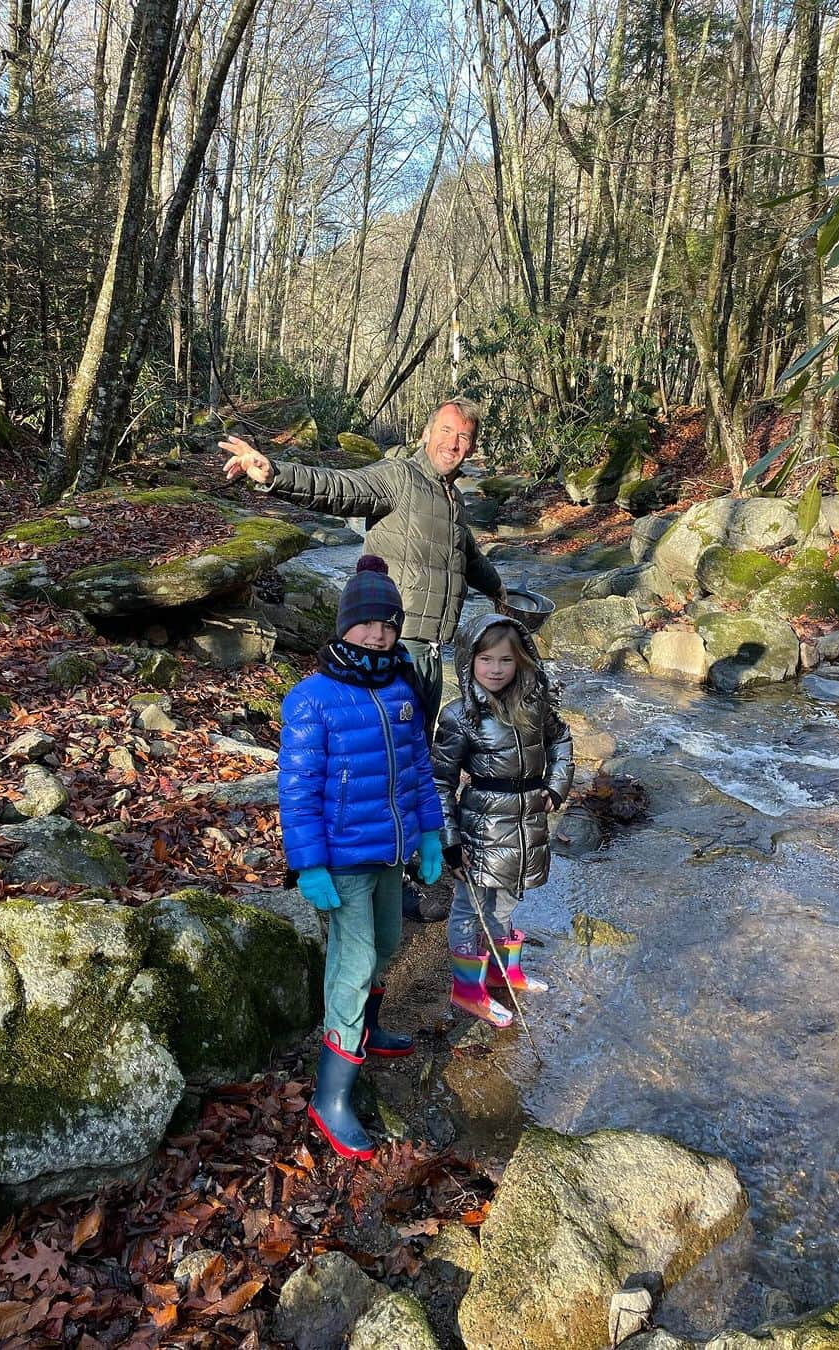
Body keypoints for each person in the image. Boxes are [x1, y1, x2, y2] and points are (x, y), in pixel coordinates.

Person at [278, 555, 444, 1160]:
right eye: (368, 623)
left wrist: (431, 834)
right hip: (342, 857)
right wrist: (309, 864)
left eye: (389, 624)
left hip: (389, 851)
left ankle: (367, 1032)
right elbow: (297, 791)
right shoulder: (311, 699)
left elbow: (419, 771)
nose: (378, 634)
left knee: (389, 939)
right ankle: (332, 1093)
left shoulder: (401, 688)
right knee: (354, 960)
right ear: (344, 625)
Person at [220, 397, 508, 733]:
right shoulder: (398, 476)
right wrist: (275, 473)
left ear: (471, 448)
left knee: (416, 752)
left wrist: (497, 588)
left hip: (431, 651)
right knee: (383, 748)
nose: (453, 442)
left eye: (463, 436)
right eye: (446, 430)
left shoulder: (453, 498)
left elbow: (468, 555)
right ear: (426, 434)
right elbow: (340, 488)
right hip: (391, 646)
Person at [432, 612, 574, 1027]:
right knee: (470, 906)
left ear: (522, 661)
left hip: (529, 819)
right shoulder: (460, 716)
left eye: (505, 660)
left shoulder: (535, 704)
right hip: (481, 823)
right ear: (469, 661)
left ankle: (501, 971)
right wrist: (450, 839)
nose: (496, 669)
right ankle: (467, 989)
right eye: (486, 660)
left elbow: (562, 740)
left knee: (509, 898)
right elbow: (439, 781)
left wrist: (554, 788)